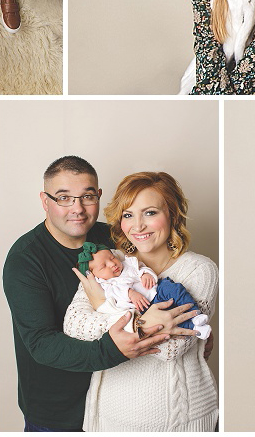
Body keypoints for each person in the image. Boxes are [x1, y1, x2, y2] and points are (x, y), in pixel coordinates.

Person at [3, 156, 197, 432]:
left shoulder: (118, 238)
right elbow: (41, 343)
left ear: (99, 196)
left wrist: (197, 330)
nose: (78, 209)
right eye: (64, 198)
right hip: (58, 412)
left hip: (120, 404)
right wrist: (118, 344)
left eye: (87, 196)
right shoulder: (26, 259)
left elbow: (155, 286)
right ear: (45, 201)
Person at [65, 170, 219, 431]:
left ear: (172, 213)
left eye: (150, 213)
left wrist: (101, 306)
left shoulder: (199, 270)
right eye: (128, 215)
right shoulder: (108, 260)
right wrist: (140, 324)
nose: (138, 226)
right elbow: (74, 325)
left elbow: (170, 349)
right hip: (108, 415)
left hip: (177, 419)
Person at [74, 241, 211, 339]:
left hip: (156, 290)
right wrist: (130, 293)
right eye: (103, 266)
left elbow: (141, 267)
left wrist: (145, 274)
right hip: (144, 308)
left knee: (175, 289)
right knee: (167, 321)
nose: (112, 264)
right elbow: (114, 295)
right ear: (94, 276)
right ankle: (195, 327)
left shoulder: (127, 263)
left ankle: (196, 315)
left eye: (111, 258)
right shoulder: (104, 285)